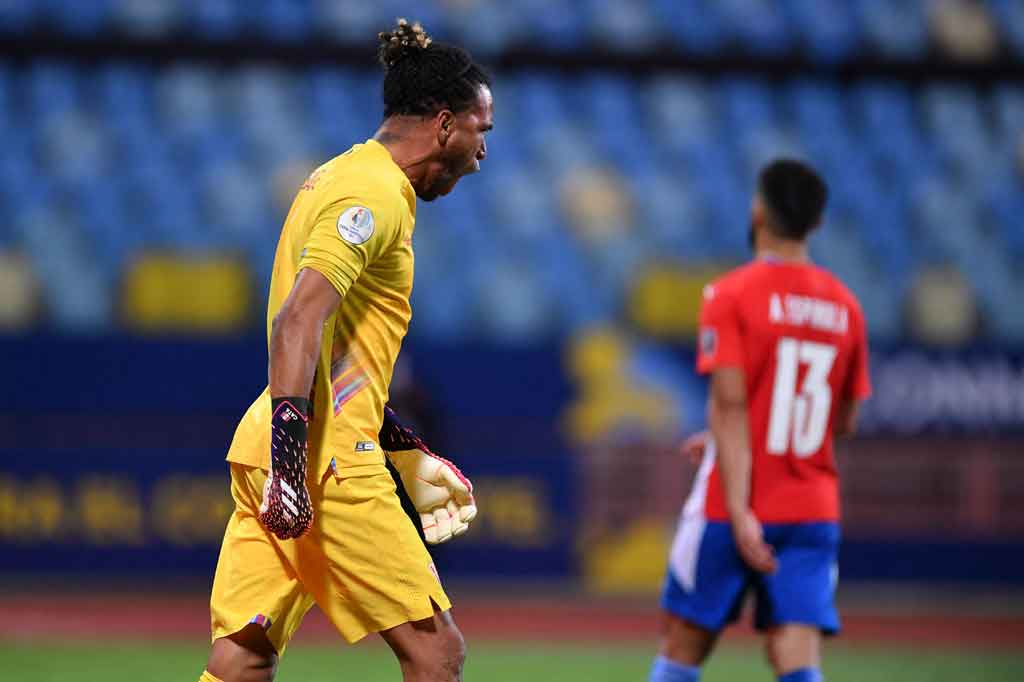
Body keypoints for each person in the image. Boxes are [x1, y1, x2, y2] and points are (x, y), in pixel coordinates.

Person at [198, 19, 493, 682]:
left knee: (243, 655)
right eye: (483, 131)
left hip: (281, 449)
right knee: (437, 654)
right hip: (324, 467)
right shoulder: (373, 194)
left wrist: (401, 446)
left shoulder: (340, 175)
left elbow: (332, 350)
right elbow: (296, 322)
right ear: (446, 124)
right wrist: (293, 467)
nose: (483, 153)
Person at [650, 160, 871, 682]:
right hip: (811, 507)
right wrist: (757, 432)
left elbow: (728, 405)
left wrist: (741, 506)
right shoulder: (847, 306)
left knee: (684, 645)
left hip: (732, 505)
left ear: (758, 212)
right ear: (816, 224)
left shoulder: (729, 295)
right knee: (795, 657)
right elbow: (844, 421)